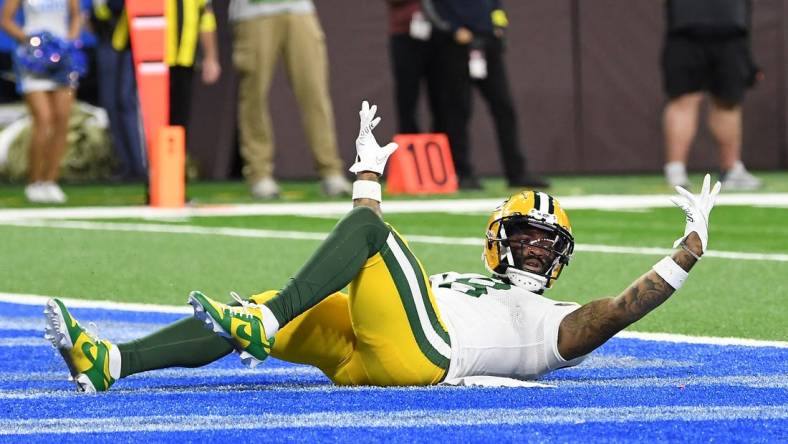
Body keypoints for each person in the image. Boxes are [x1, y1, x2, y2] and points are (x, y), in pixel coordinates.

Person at [43, 101, 720, 392]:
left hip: (427, 358)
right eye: (526, 237)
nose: (538, 251)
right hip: (369, 354)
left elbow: (614, 314)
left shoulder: (556, 321)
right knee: (252, 306)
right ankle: (112, 361)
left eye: (548, 243)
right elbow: (380, 285)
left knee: (370, 232)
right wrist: (367, 169)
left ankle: (267, 321)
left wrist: (685, 254)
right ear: (496, 243)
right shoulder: (467, 280)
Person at [229, 0, 351, 199]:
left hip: (299, 8)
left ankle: (330, 170)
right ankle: (259, 174)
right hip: (254, 11)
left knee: (315, 92)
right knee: (254, 96)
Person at [422, 0, 548, 190]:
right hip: (456, 47)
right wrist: (453, 30)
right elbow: (432, 8)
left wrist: (499, 28)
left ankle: (516, 172)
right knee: (458, 111)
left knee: (504, 108)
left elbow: (497, 8)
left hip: (487, 46)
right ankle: (461, 172)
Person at [662, 0, 762, 190]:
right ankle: (675, 172)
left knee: (728, 102)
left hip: (731, 29)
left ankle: (731, 170)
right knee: (684, 99)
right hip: (685, 30)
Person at [1, 0, 81, 203]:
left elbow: (77, 15)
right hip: (33, 58)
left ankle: (51, 181)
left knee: (62, 120)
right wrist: (30, 40)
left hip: (62, 59)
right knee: (44, 119)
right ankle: (34, 181)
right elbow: (6, 20)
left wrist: (69, 40)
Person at [91, 0, 147, 182]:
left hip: (127, 38)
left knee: (126, 101)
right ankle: (127, 164)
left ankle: (140, 163)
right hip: (106, 38)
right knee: (110, 103)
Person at [166, 0, 221, 150]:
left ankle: (175, 164)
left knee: (180, 116)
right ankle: (152, 164)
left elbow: (206, 17)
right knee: (156, 116)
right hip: (156, 60)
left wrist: (210, 56)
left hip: (185, 57)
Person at [385, 0, 444, 134]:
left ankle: (441, 147)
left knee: (442, 98)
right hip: (404, 34)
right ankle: (410, 146)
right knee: (407, 96)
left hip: (439, 33)